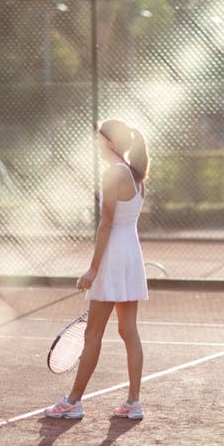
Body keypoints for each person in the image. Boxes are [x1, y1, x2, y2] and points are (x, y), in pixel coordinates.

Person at [45, 118, 150, 420]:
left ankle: (73, 402)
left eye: (99, 139)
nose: (95, 144)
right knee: (129, 331)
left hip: (114, 255)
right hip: (131, 252)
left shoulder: (113, 173)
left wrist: (93, 270)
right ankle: (133, 402)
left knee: (93, 333)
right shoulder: (136, 175)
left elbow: (106, 224)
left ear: (111, 143)